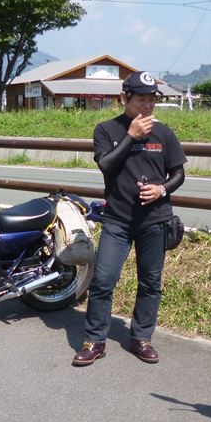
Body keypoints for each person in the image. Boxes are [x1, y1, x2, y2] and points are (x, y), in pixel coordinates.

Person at [74, 71, 187, 367]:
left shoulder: (164, 133)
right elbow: (107, 165)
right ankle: (95, 340)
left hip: (155, 219)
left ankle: (141, 338)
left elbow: (178, 174)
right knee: (103, 280)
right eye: (140, 100)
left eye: (151, 101)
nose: (147, 106)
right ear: (124, 98)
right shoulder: (106, 130)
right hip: (117, 220)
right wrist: (131, 136)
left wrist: (162, 189)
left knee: (150, 282)